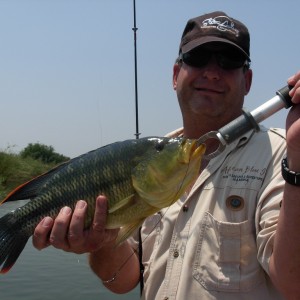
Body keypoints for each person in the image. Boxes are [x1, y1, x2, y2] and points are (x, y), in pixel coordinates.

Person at [32, 11, 300, 299]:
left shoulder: (285, 156)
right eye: (198, 58)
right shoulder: (151, 158)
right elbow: (123, 280)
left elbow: (293, 284)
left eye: (228, 61)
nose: (212, 72)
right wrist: (102, 241)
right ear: (175, 76)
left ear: (247, 82)